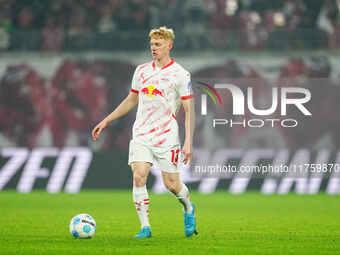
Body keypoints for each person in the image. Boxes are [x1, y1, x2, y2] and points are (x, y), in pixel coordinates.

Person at [91, 26, 197, 238]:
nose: (154, 48)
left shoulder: (180, 74)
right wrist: (106, 120)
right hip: (141, 134)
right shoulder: (141, 71)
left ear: (169, 45)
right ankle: (145, 227)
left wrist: (188, 142)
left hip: (167, 136)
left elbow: (189, 109)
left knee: (172, 184)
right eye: (151, 45)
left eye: (158, 45)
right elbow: (131, 100)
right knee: (139, 176)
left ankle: (188, 208)